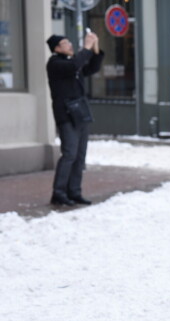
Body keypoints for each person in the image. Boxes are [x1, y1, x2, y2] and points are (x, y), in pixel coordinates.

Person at [46, 33, 104, 206]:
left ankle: (74, 192)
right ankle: (58, 193)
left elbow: (91, 68)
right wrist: (85, 48)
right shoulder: (55, 64)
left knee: (80, 155)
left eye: (69, 42)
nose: (70, 45)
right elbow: (74, 66)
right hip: (66, 114)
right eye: (65, 43)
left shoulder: (72, 63)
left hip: (80, 113)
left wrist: (95, 48)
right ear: (56, 48)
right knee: (69, 153)